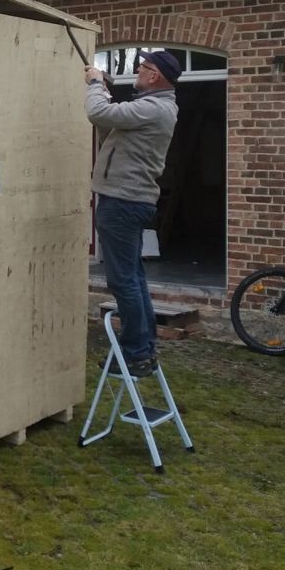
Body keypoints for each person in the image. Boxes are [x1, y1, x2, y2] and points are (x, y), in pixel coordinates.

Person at [84, 49, 181, 377]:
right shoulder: (158, 108)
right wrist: (108, 98)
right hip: (131, 202)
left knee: (123, 280)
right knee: (134, 278)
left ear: (154, 75)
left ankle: (135, 353)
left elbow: (96, 113)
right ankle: (144, 348)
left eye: (142, 67)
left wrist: (96, 84)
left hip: (122, 203)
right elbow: (108, 130)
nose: (137, 71)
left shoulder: (153, 107)